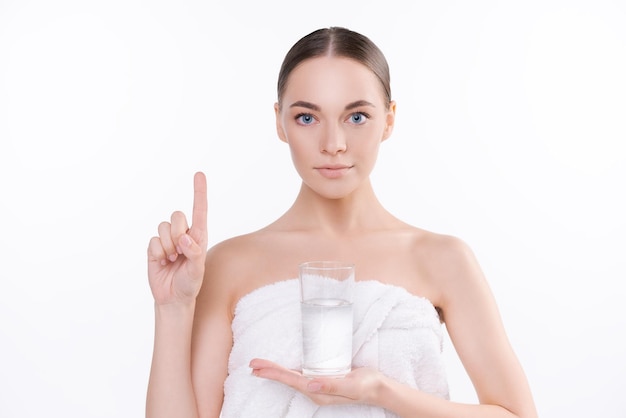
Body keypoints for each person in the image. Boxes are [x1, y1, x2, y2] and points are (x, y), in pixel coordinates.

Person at [145, 26, 538, 418]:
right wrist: (172, 310)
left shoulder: (442, 258)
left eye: (357, 116)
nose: (333, 144)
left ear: (389, 120)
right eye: (306, 118)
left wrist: (383, 391)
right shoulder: (229, 264)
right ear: (279, 122)